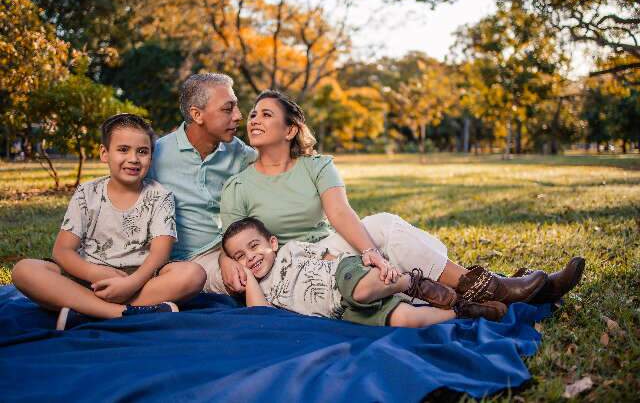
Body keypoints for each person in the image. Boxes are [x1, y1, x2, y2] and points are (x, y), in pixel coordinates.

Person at [218, 90, 586, 307]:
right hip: (287, 270)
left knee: (389, 233)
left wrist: (370, 251)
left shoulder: (316, 166)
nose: (252, 119)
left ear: (291, 128)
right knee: (389, 240)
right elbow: (229, 245)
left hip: (330, 250)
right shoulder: (238, 185)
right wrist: (229, 267)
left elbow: (341, 213)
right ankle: (494, 289)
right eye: (251, 114)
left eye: (266, 114)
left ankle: (492, 288)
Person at [11, 113, 206, 330]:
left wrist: (130, 283)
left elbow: (160, 253)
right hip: (87, 278)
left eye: (142, 152)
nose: (133, 158)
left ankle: (84, 311)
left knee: (193, 275)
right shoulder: (87, 193)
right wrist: (95, 273)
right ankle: (120, 313)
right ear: (105, 153)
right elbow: (63, 251)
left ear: (151, 157)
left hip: (140, 281)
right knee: (24, 270)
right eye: (123, 149)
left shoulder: (160, 196)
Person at [222, 217, 508, 327]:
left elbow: (329, 255)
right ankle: (466, 311)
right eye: (241, 256)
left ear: (272, 243)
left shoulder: (290, 249)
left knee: (361, 288)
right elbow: (258, 313)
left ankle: (411, 282)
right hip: (339, 311)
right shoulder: (263, 290)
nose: (251, 257)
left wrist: (360, 262)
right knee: (404, 320)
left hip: (341, 276)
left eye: (254, 246)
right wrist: (247, 279)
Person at [148, 73, 258, 293]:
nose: (238, 116)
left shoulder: (239, 152)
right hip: (185, 261)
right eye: (227, 109)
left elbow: (276, 164)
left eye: (236, 107)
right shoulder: (155, 155)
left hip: (231, 248)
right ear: (197, 114)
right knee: (248, 281)